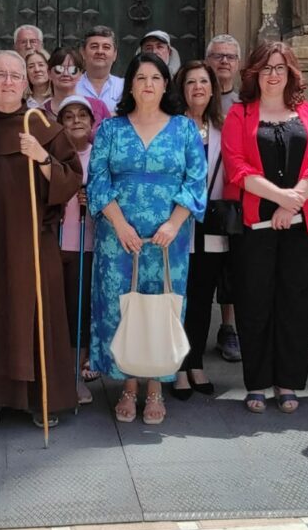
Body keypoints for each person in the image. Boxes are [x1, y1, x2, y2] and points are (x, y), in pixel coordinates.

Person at [0, 50, 81, 428]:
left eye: (16, 76)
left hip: (34, 241)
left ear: (26, 82)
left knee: (38, 316)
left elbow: (72, 179)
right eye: (1, 75)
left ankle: (39, 398)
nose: (9, 82)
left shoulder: (41, 124)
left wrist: (43, 157)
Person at [88, 53, 208, 426]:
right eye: (140, 78)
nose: (148, 85)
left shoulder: (185, 129)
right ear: (131, 85)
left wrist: (174, 224)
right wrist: (120, 224)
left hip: (166, 239)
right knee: (122, 308)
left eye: (156, 77)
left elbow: (195, 181)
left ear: (165, 84)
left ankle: (155, 387)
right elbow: (98, 180)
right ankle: (127, 386)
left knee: (160, 308)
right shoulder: (110, 129)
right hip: (118, 237)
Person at [222, 42, 308, 415]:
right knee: (254, 301)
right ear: (254, 73)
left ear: (291, 74)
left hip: (304, 226)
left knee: (296, 302)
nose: (273, 75)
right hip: (256, 224)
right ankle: (256, 382)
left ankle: (288, 382)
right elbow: (237, 167)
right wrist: (281, 199)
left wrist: (294, 200)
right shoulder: (240, 114)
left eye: (280, 68)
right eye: (266, 68)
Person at [171, 61, 226, 401]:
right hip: (178, 222)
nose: (198, 88)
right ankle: (177, 366)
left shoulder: (222, 127)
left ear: (212, 88)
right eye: (190, 82)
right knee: (179, 297)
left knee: (203, 297)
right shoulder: (173, 128)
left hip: (213, 222)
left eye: (203, 81)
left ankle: (196, 363)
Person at [204, 34, 245, 362]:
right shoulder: (197, 98)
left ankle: (228, 327)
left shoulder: (245, 102)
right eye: (218, 56)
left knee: (232, 268)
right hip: (197, 196)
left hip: (232, 197)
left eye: (230, 56)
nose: (224, 61)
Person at [56, 95, 98, 405]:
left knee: (80, 312)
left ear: (93, 122)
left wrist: (92, 200)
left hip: (89, 245)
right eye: (68, 117)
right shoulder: (53, 155)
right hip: (59, 245)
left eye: (82, 115)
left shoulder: (99, 156)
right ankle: (56, 373)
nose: (76, 121)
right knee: (60, 311)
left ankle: (75, 374)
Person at [42, 47, 111, 129]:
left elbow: (113, 138)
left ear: (80, 74)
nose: (66, 74)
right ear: (49, 73)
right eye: (59, 69)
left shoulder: (98, 107)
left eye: (72, 70)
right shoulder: (40, 112)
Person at [77, 25, 124, 113]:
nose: (100, 51)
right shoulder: (72, 86)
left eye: (106, 47)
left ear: (115, 54)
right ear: (82, 52)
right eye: (94, 46)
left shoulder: (124, 87)